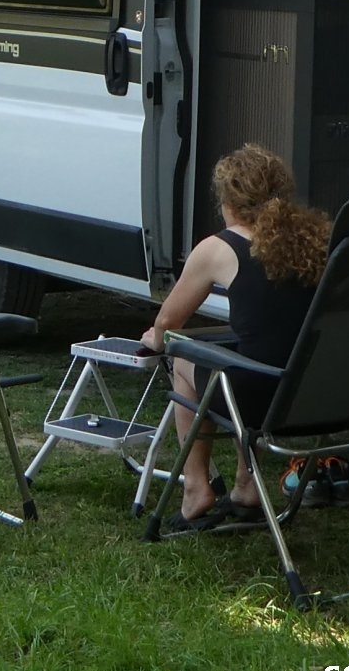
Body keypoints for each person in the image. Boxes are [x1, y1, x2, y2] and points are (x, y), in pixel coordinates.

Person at [139, 143, 331, 529]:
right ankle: (247, 486)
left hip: (262, 396)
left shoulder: (219, 248)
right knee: (255, 348)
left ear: (228, 200)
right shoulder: (314, 240)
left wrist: (155, 340)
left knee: (184, 357)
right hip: (319, 393)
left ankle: (196, 488)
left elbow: (168, 321)